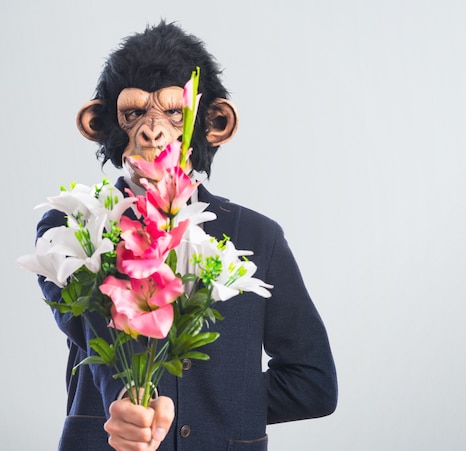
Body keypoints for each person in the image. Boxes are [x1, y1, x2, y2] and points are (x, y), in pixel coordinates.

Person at [35, 21, 337, 450]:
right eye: (135, 112)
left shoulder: (257, 237)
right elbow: (88, 327)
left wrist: (213, 409)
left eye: (173, 112)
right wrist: (123, 399)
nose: (152, 130)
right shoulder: (69, 224)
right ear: (100, 122)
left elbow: (314, 384)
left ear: (214, 122)